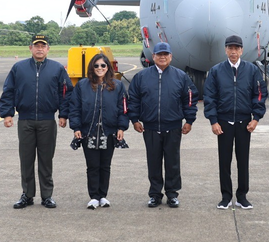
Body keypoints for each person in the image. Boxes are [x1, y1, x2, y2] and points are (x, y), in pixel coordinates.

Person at [0, 35, 73, 209]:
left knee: (46, 159)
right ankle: (27, 194)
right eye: (36, 46)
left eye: (43, 46)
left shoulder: (57, 69)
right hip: (25, 119)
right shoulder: (19, 68)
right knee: (26, 159)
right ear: (30, 48)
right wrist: (7, 114)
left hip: (47, 120)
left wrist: (64, 114)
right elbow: (8, 91)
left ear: (48, 49)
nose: (39, 49)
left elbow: (66, 93)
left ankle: (47, 195)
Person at [128, 42, 198, 208]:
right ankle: (155, 194)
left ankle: (172, 194)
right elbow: (134, 99)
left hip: (173, 127)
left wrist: (189, 120)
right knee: (153, 161)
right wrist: (135, 119)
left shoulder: (181, 76)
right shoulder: (142, 77)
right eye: (159, 54)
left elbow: (190, 99)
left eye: (165, 54)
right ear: (153, 57)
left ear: (171, 57)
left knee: (172, 162)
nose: (162, 57)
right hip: (150, 127)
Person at [203, 35, 267, 210]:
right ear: (225, 50)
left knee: (242, 160)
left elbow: (259, 94)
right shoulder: (216, 71)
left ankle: (242, 196)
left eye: (236, 48)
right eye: (230, 48)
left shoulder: (252, 71)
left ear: (241, 50)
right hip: (223, 123)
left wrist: (256, 118)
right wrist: (213, 121)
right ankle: (225, 196)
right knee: (224, 161)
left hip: (244, 122)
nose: (233, 51)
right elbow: (210, 97)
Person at [69, 54, 129, 209]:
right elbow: (75, 108)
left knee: (105, 165)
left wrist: (121, 127)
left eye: (103, 65)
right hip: (88, 131)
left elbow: (123, 109)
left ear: (108, 67)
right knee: (92, 165)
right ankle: (94, 196)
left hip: (109, 131)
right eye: (96, 66)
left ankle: (103, 195)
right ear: (92, 68)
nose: (100, 68)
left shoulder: (117, 86)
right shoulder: (82, 85)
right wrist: (76, 127)